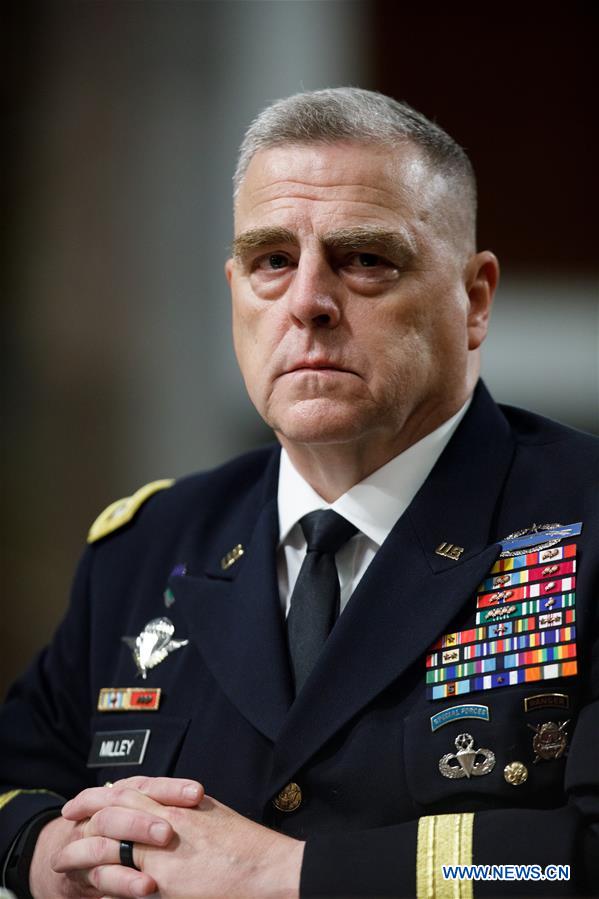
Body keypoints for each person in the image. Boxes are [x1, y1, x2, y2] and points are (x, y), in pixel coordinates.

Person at [1, 87, 597, 899]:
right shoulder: (148, 545)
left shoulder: (582, 523)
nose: (307, 302)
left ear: (475, 299)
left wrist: (290, 871)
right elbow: (16, 782)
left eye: (365, 259)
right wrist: (48, 854)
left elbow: (576, 858)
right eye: (272, 261)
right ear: (235, 286)